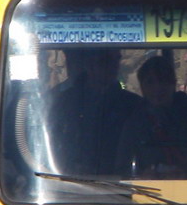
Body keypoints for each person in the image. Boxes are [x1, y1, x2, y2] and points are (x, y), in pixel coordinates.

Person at [48, 47, 142, 176]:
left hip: (128, 186)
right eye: (105, 61)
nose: (112, 66)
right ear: (89, 64)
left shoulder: (133, 104)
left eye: (116, 60)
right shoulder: (65, 102)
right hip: (72, 184)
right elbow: (52, 143)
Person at [116, 54, 187, 176]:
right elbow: (122, 168)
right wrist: (141, 176)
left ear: (173, 84)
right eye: (150, 82)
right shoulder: (134, 123)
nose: (157, 88)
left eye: (163, 80)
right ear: (142, 87)